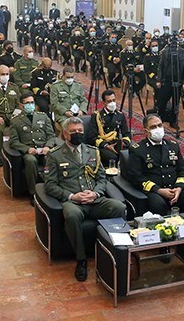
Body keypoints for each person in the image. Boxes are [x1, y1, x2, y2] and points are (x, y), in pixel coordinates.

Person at [42, 117, 126, 281]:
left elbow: (102, 179)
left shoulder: (93, 151)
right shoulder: (55, 155)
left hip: (94, 200)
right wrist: (71, 196)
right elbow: (50, 185)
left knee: (119, 207)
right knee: (72, 215)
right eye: (73, 131)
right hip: (72, 201)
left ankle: (116, 251)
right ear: (65, 134)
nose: (78, 134)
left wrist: (95, 193)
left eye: (80, 131)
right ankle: (81, 260)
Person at [126, 113, 184, 221]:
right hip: (155, 191)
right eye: (153, 127)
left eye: (159, 125)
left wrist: (178, 188)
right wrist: (159, 190)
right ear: (146, 131)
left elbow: (182, 170)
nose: (158, 129)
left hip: (175, 189)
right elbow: (136, 177)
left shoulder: (173, 145)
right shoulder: (138, 150)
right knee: (158, 205)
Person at [9, 93, 57, 200]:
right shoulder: (15, 121)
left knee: (51, 159)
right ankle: (33, 192)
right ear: (21, 105)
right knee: (31, 161)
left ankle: (51, 189)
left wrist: (48, 146)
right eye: (27, 103)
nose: (30, 105)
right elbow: (14, 141)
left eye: (32, 102)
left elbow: (51, 136)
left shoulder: (43, 117)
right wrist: (27, 149)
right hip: (29, 151)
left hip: (44, 148)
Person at [84, 90, 130, 165]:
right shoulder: (97, 116)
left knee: (129, 153)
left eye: (114, 100)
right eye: (109, 101)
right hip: (103, 145)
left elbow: (126, 133)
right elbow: (92, 137)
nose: (112, 103)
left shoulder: (120, 115)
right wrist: (106, 146)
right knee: (113, 157)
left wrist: (124, 143)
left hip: (116, 143)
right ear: (104, 102)